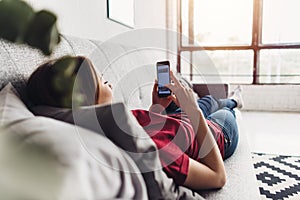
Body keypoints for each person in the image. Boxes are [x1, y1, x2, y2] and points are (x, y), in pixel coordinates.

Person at [27, 56, 243, 190]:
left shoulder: (112, 123)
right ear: (86, 98)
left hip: (176, 118)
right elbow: (218, 177)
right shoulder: (152, 151)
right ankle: (233, 102)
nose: (108, 81)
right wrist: (194, 113)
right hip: (213, 135)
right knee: (223, 111)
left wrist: (156, 108)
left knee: (208, 100)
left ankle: (232, 98)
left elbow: (150, 128)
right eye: (101, 80)